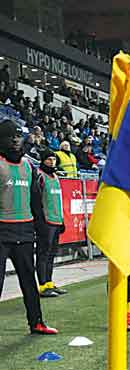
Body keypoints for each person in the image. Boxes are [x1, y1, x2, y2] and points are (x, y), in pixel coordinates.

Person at [0, 120, 57, 335]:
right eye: (11, 137)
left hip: (24, 231)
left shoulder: (28, 166)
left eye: (18, 137)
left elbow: (35, 201)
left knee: (29, 282)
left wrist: (41, 228)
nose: (16, 141)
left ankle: (37, 322)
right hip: (2, 231)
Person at [33, 150, 67, 298]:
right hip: (46, 222)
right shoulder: (39, 175)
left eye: (54, 159)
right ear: (43, 160)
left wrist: (62, 220)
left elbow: (57, 200)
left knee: (52, 254)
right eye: (49, 159)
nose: (52, 162)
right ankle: (41, 286)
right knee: (43, 254)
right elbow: (36, 201)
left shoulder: (56, 176)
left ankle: (49, 282)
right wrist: (39, 221)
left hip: (56, 220)